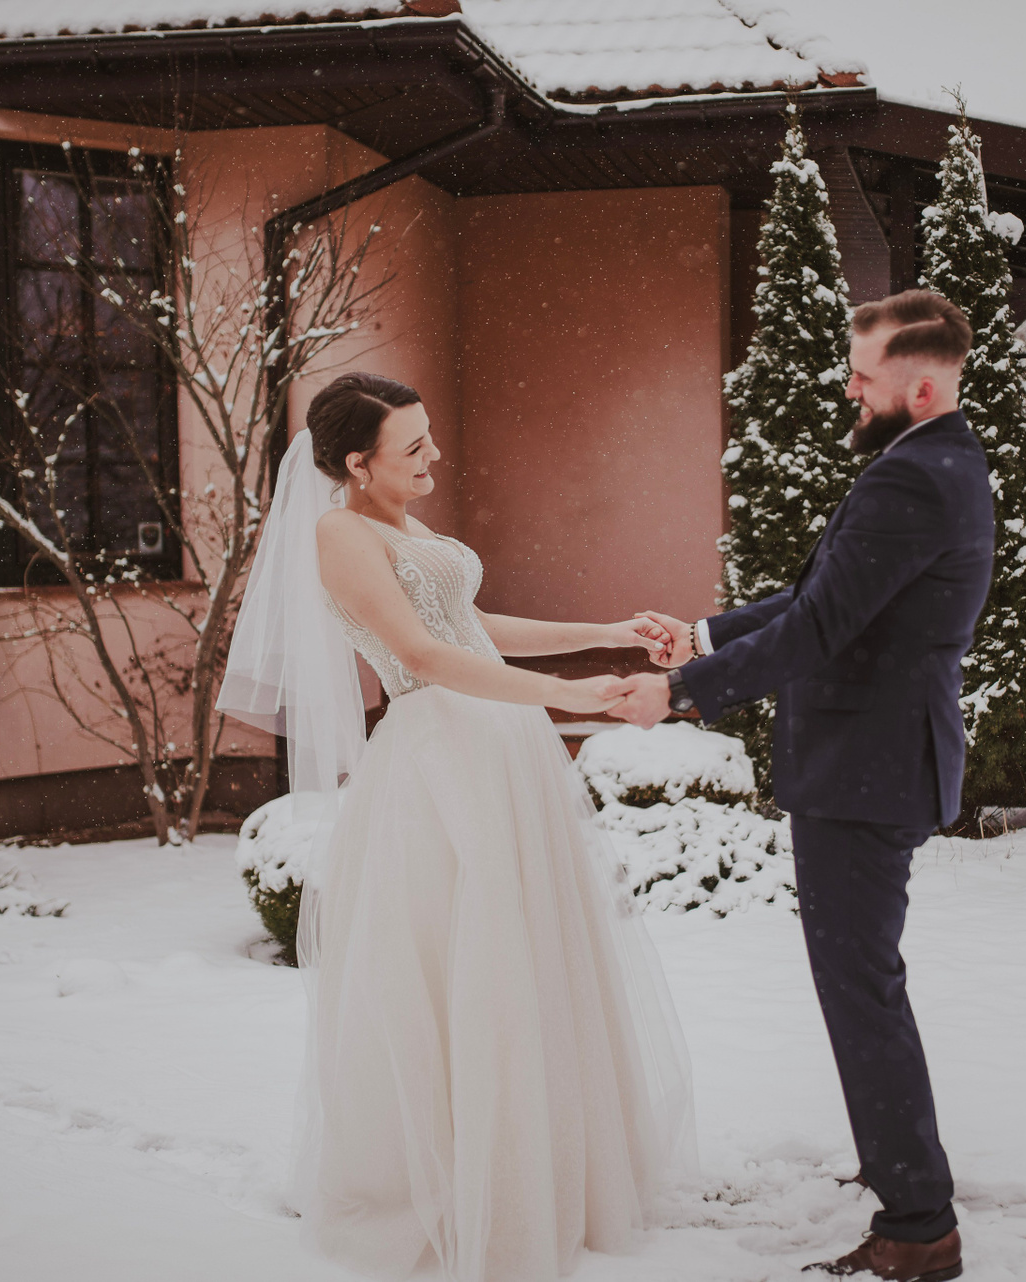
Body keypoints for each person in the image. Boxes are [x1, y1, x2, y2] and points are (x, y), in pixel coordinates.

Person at [216, 372, 695, 1282]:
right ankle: (469, 1184)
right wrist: (566, 696)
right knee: (469, 965)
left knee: (528, 954)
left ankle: (536, 1171)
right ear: (357, 464)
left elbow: (472, 628)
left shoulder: (403, 525)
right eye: (413, 446)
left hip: (499, 746)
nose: (433, 454)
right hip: (439, 758)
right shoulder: (340, 534)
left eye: (428, 435)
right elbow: (423, 655)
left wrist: (607, 632)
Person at [615, 290, 995, 1282]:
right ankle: (899, 1173)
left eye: (863, 377)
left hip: (866, 774)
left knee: (860, 993)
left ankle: (918, 1224)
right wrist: (703, 636)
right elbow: (825, 598)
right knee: (864, 985)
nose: (849, 390)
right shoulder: (939, 462)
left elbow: (822, 629)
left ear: (920, 388)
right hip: (876, 766)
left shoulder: (911, 478)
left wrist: (681, 693)